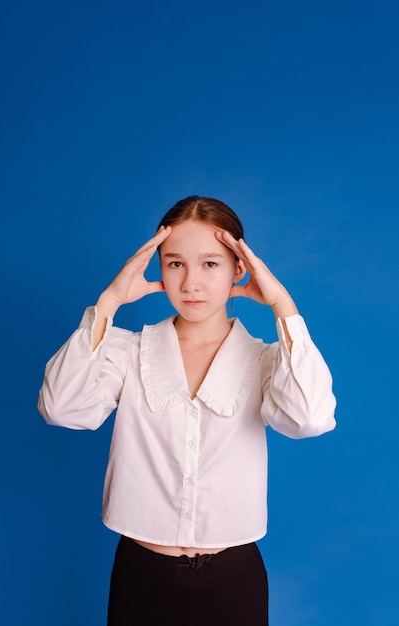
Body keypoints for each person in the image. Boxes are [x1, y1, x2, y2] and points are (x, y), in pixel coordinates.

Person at [38, 195, 336, 625]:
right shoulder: (128, 350)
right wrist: (109, 301)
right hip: (142, 575)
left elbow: (309, 417)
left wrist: (282, 306)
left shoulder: (267, 360)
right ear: (158, 266)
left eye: (210, 264)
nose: (191, 283)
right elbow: (60, 407)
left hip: (235, 578)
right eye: (175, 263)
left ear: (239, 268)